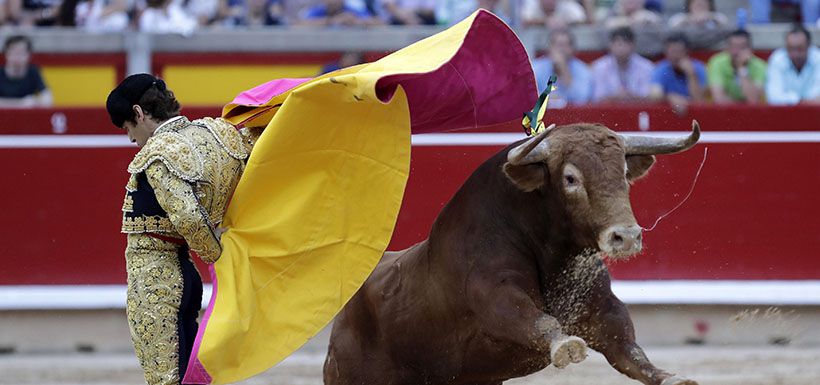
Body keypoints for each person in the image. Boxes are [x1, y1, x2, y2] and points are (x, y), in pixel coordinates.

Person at [107, 73, 252, 385]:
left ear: (138, 113)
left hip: (156, 277)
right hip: (185, 274)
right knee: (188, 372)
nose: (131, 138)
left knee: (166, 378)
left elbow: (187, 216)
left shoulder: (159, 153)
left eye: (128, 128)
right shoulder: (217, 132)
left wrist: (218, 257)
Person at [591, 27, 654, 103]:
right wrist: (616, 97)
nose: (621, 48)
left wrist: (630, 96)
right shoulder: (599, 66)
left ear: (633, 45)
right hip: (609, 112)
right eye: (618, 44)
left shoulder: (646, 67)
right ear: (610, 45)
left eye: (625, 44)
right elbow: (597, 97)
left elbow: (648, 97)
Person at [531, 29, 592, 107]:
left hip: (571, 115)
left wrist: (563, 69)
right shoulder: (535, 67)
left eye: (565, 45)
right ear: (549, 47)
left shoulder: (583, 70)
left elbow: (582, 98)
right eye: (558, 45)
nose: (561, 49)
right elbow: (529, 96)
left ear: (573, 49)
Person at [649, 33, 706, 115]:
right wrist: (671, 97)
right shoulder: (660, 69)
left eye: (679, 51)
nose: (675, 56)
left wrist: (691, 75)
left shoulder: (699, 68)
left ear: (686, 51)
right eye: (672, 51)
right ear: (666, 52)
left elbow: (700, 101)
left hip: (697, 118)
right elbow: (654, 95)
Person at [707, 29, 767, 104]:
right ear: (727, 48)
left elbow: (753, 99)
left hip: (752, 112)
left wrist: (742, 68)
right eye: (733, 47)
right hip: (725, 111)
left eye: (742, 47)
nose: (737, 52)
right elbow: (718, 98)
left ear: (750, 49)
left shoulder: (760, 66)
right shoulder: (717, 62)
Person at [766, 24, 820, 105]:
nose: (795, 54)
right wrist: (801, 101)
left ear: (809, 46)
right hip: (783, 115)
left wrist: (791, 100)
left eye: (800, 48)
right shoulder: (777, 60)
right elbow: (773, 97)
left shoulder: (818, 58)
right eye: (791, 48)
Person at [0, 35, 52, 108]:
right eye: (14, 52)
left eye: (21, 52)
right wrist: (21, 103)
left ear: (28, 55)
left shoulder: (33, 72)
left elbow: (48, 100)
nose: (18, 56)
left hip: (27, 117)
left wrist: (34, 101)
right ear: (6, 54)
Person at [297, 0, 375, 26]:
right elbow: (298, 25)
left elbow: (374, 22)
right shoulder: (317, 11)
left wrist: (356, 21)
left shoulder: (352, 10)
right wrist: (331, 21)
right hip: (321, 52)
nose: (333, 1)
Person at [521, 0, 586, 29]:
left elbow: (585, 21)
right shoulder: (532, 5)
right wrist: (545, 21)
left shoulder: (566, 5)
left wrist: (566, 22)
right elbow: (523, 22)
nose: (549, 1)